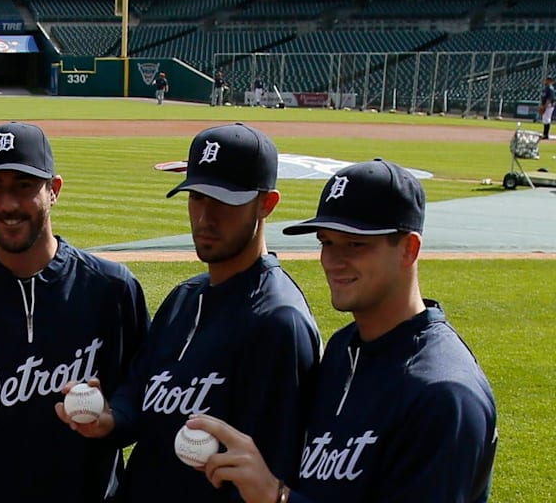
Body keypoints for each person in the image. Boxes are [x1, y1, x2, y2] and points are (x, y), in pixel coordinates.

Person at [191, 159, 498, 503]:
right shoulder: (343, 350)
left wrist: (276, 497)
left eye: (355, 244)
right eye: (327, 242)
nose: (332, 261)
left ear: (409, 249)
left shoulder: (443, 393)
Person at [56, 123, 321, 502]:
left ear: (267, 203)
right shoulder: (185, 297)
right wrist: (110, 419)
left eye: (224, 200)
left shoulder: (278, 323)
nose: (205, 217)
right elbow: (141, 391)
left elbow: (270, 470)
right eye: (197, 197)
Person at [0, 121, 151, 503]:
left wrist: (113, 417)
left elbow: (142, 397)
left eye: (23, 186)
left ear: (53, 190)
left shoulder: (112, 289)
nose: (8, 205)